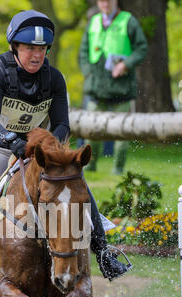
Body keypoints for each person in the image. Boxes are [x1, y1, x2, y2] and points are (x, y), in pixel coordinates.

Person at [0, 9, 130, 297]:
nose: (36, 54)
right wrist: (12, 139)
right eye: (29, 47)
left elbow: (62, 123)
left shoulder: (53, 78)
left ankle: (103, 252)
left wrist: (47, 146)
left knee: (73, 184)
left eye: (41, 49)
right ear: (15, 47)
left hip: (38, 149)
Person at [79, 0, 148, 173]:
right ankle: (90, 167)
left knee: (122, 132)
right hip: (96, 87)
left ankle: (118, 169)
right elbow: (83, 52)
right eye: (102, 0)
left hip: (121, 87)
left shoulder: (128, 20)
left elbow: (141, 48)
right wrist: (88, 72)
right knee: (91, 130)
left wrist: (126, 64)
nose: (105, 4)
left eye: (109, 0)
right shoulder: (93, 21)